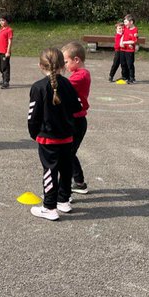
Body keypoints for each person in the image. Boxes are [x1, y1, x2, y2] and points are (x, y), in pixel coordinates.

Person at [27, 46, 82, 221]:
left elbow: (32, 115)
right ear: (62, 65)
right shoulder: (68, 84)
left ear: (40, 65)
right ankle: (63, 200)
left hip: (48, 138)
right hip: (66, 137)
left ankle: (49, 207)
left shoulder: (38, 87)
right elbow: (77, 108)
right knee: (66, 169)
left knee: (50, 171)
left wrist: (34, 133)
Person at [62, 40, 91, 195]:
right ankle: (79, 182)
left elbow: (62, 85)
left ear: (76, 60)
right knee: (68, 153)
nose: (64, 65)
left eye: (66, 61)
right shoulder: (76, 74)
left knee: (66, 155)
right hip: (73, 120)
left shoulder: (81, 75)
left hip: (76, 122)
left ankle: (64, 192)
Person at [117, 14, 138, 82]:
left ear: (131, 22)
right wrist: (121, 42)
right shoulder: (126, 28)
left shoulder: (135, 30)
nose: (124, 24)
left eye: (126, 22)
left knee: (130, 64)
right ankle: (124, 76)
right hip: (123, 49)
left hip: (129, 50)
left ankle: (131, 77)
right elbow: (122, 35)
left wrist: (125, 43)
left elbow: (134, 40)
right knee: (123, 64)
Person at [0, 13, 13, 89]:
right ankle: (3, 79)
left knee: (5, 67)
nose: (1, 22)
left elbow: (9, 42)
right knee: (0, 66)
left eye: (3, 20)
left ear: (7, 21)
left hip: (5, 52)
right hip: (0, 51)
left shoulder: (9, 30)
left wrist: (8, 51)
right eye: (0, 20)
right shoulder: (1, 30)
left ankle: (6, 81)